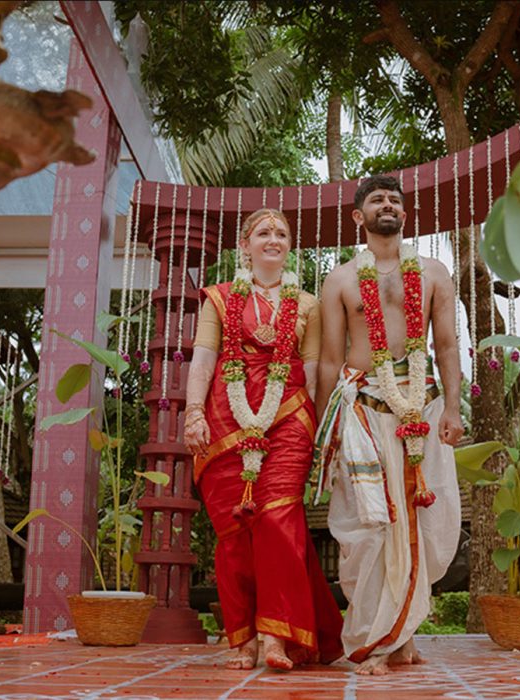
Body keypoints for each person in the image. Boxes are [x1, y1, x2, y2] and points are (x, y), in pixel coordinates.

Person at [314, 175, 463, 675]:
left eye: (395, 201)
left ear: (404, 215)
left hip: (421, 409)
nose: (387, 206)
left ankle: (402, 637)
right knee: (367, 528)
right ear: (358, 216)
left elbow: (445, 346)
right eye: (377, 200)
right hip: (361, 413)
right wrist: (322, 430)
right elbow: (331, 361)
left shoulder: (436, 273)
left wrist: (455, 409)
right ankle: (371, 640)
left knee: (421, 522)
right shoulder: (340, 280)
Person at [184, 208, 344, 672]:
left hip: (290, 417)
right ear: (246, 245)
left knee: (279, 519)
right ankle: (244, 635)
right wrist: (194, 413)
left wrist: (316, 428)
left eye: (281, 233)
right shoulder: (217, 299)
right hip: (225, 418)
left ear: (289, 246)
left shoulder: (309, 305)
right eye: (263, 232)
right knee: (234, 528)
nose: (273, 238)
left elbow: (312, 371)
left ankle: (277, 635)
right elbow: (203, 361)